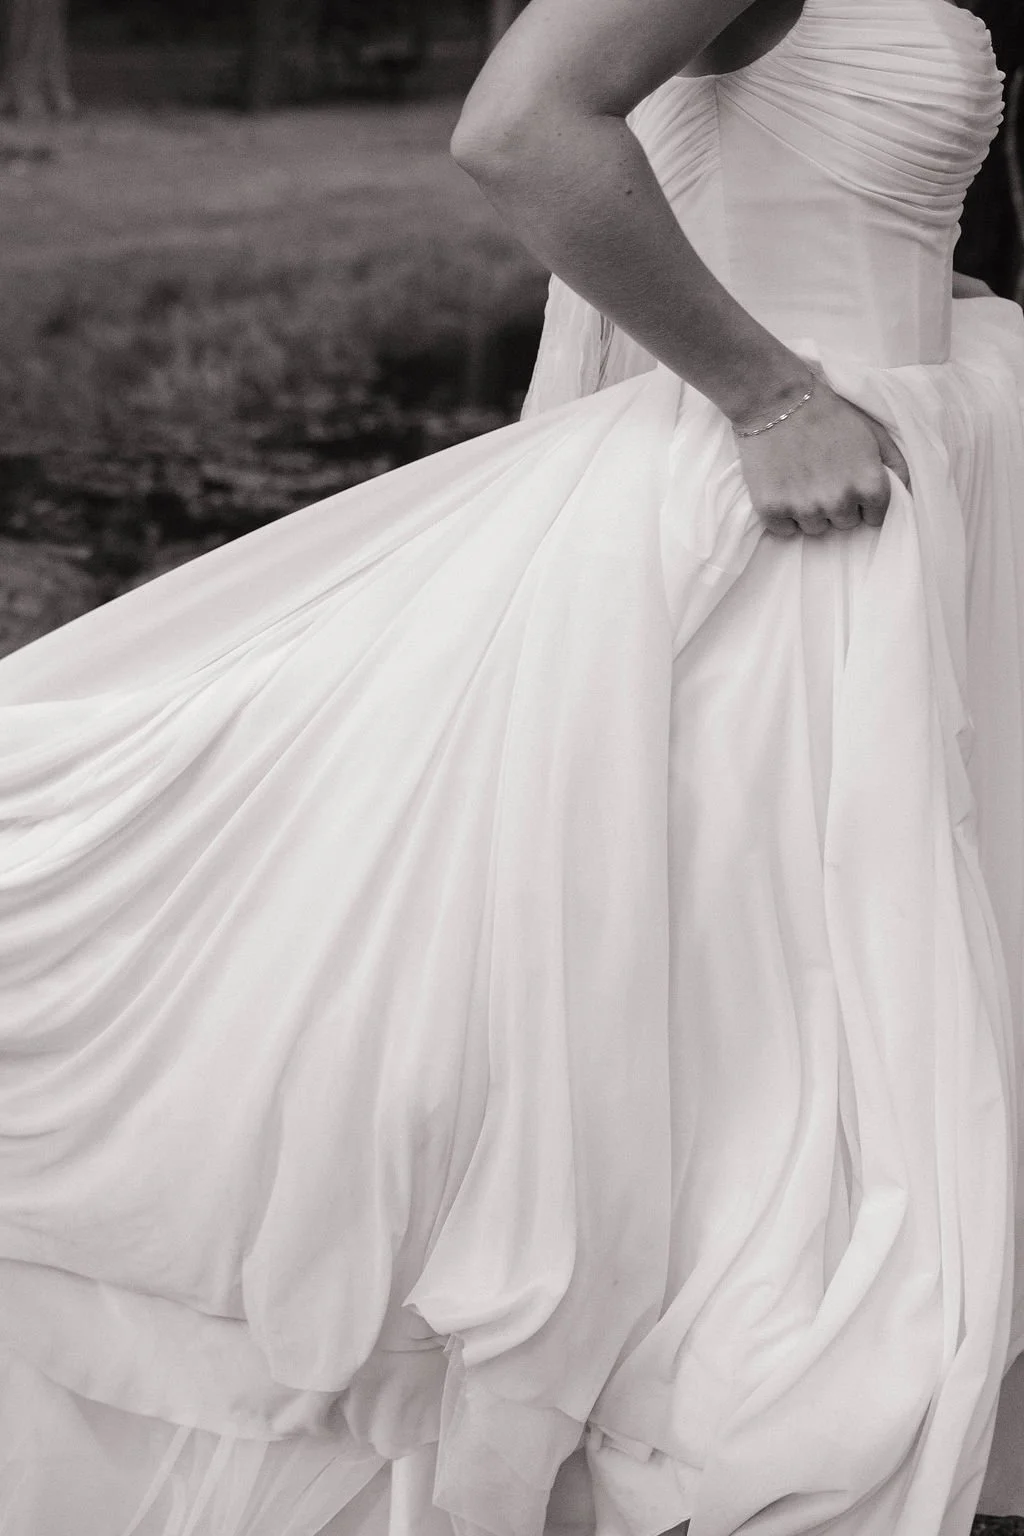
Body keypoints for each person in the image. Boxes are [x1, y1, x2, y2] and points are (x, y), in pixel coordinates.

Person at [0, 0, 1021, 1531]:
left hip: (911, 469)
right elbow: (523, 127)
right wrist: (777, 392)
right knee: (737, 1024)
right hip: (795, 518)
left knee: (798, 1014)